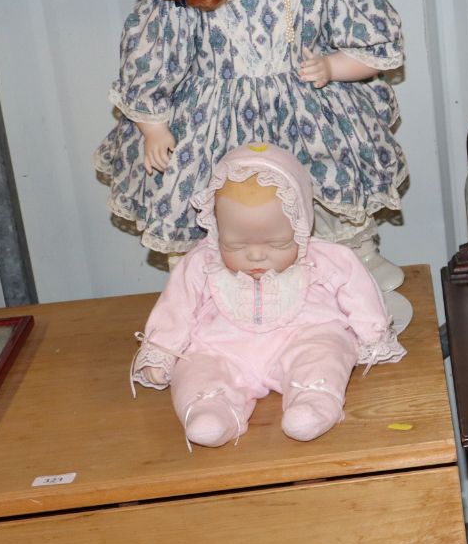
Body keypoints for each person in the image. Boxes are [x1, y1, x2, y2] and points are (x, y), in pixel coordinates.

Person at [96, 0, 409, 322]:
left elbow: (374, 45)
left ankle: (350, 266)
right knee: (218, 208)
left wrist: (335, 65)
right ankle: (208, 291)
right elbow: (153, 60)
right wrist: (152, 124)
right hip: (216, 128)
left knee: (327, 186)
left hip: (310, 116)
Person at [130, 144, 403, 449]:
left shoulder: (323, 258)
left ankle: (313, 400)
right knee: (196, 368)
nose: (257, 254)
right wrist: (163, 351)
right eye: (235, 244)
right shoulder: (201, 264)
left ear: (300, 225)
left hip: (303, 336)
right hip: (221, 347)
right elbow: (175, 308)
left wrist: (372, 334)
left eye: (276, 242)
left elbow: (358, 290)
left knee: (325, 351)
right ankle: (209, 409)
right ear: (217, 230)